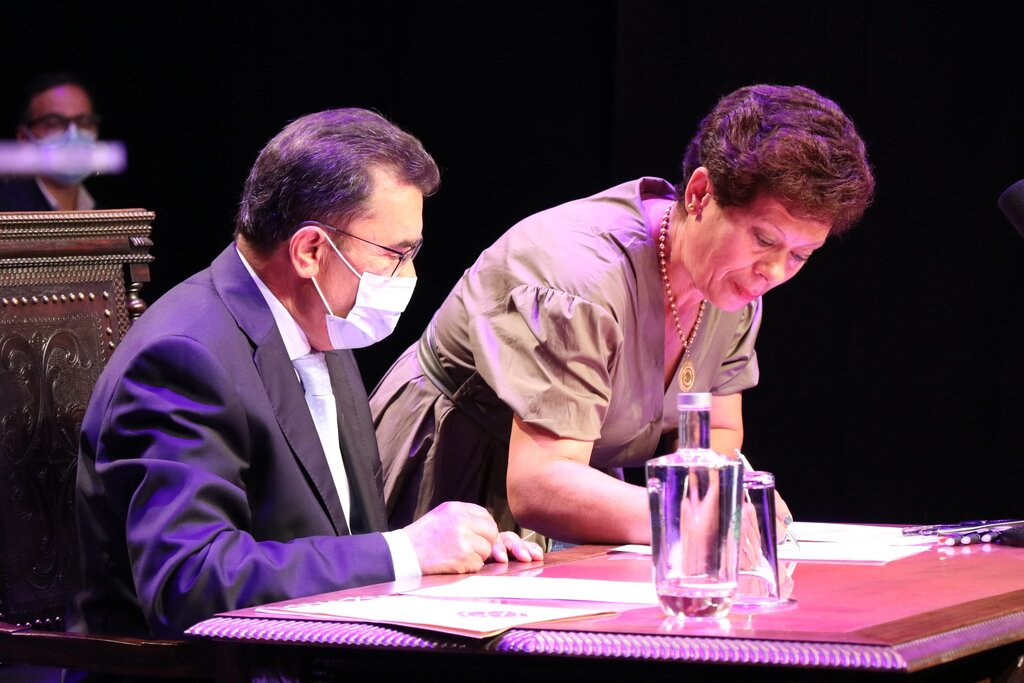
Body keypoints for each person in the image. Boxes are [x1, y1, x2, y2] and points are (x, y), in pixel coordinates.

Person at [71, 108, 542, 640]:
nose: (409, 275)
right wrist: (407, 552)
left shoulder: (321, 324)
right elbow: (190, 582)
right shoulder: (183, 357)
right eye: (396, 254)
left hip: (322, 645)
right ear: (311, 251)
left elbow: (342, 538)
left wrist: (458, 556)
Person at [370, 84, 875, 548]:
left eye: (800, 255)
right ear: (700, 194)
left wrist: (729, 501)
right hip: (457, 470)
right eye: (764, 239)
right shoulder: (580, 279)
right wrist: (697, 518)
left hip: (583, 488)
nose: (774, 271)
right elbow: (541, 484)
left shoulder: (732, 288)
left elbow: (716, 432)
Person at [0, 73, 102, 212]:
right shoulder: (7, 213)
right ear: (24, 137)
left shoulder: (106, 213)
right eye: (54, 123)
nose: (73, 134)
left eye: (84, 122)